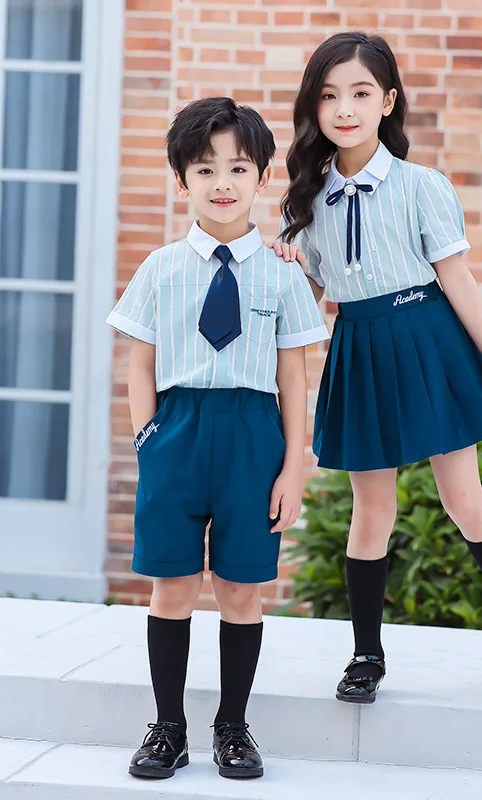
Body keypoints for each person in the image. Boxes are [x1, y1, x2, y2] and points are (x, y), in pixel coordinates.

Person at [272, 32, 482, 704]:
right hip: (358, 346)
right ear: (315, 107)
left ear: (387, 101)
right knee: (373, 510)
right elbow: (302, 309)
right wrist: (282, 277)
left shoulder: (422, 186)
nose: (344, 108)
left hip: (427, 340)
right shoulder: (306, 203)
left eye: (361, 92)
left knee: (462, 498)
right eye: (329, 95)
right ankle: (367, 655)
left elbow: (456, 277)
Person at [108, 96, 328, 780]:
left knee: (240, 589)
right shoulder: (159, 268)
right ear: (183, 182)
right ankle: (167, 728)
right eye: (206, 170)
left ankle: (233, 727)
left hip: (251, 437)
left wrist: (293, 466)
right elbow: (138, 358)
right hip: (177, 431)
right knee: (171, 587)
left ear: (263, 175)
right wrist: (149, 435)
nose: (223, 183)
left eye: (238, 167)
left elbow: (293, 375)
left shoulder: (283, 275)